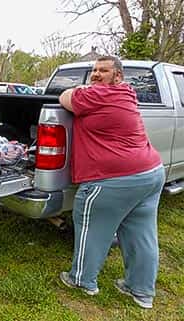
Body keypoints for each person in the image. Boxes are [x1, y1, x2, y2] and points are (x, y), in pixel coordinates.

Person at [58, 56, 165, 309]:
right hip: (150, 173)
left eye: (103, 70)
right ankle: (140, 291)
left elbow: (65, 97)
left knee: (91, 228)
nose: (96, 74)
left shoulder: (96, 96)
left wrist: (78, 90)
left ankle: (82, 281)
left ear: (118, 76)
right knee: (142, 234)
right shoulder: (126, 94)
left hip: (113, 179)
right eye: (94, 70)